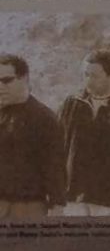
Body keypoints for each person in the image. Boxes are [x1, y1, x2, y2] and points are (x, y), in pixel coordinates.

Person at [57, 47, 110, 213]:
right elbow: (58, 145)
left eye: (94, 76)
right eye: (85, 75)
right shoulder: (72, 102)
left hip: (108, 197)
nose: (88, 81)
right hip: (72, 194)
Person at [0, 52, 63, 216]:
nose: (0, 86)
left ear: (24, 79)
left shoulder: (44, 118)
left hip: (28, 207)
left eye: (6, 80)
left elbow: (55, 166)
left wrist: (57, 206)